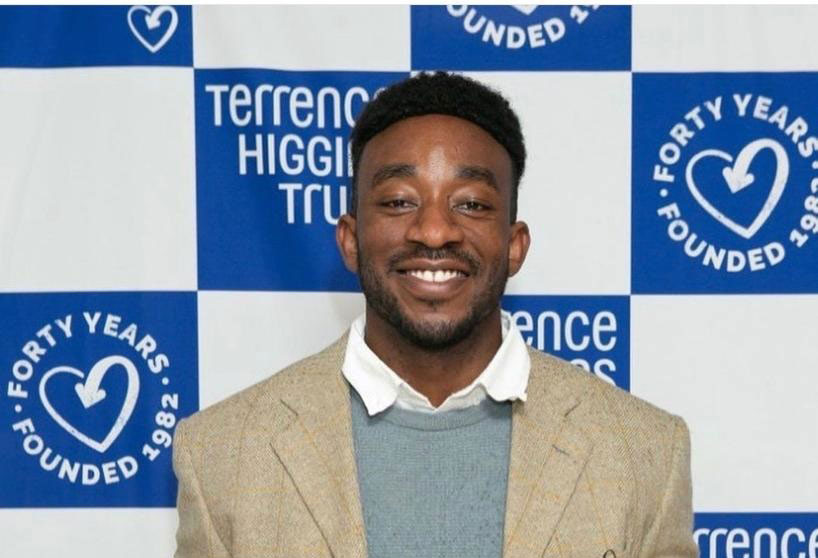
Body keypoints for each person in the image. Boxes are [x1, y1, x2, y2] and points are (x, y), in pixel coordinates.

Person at [173, 72, 698, 558]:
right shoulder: (223, 453)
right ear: (351, 240)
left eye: (470, 204)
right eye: (400, 201)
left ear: (514, 246)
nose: (433, 231)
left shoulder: (643, 452)